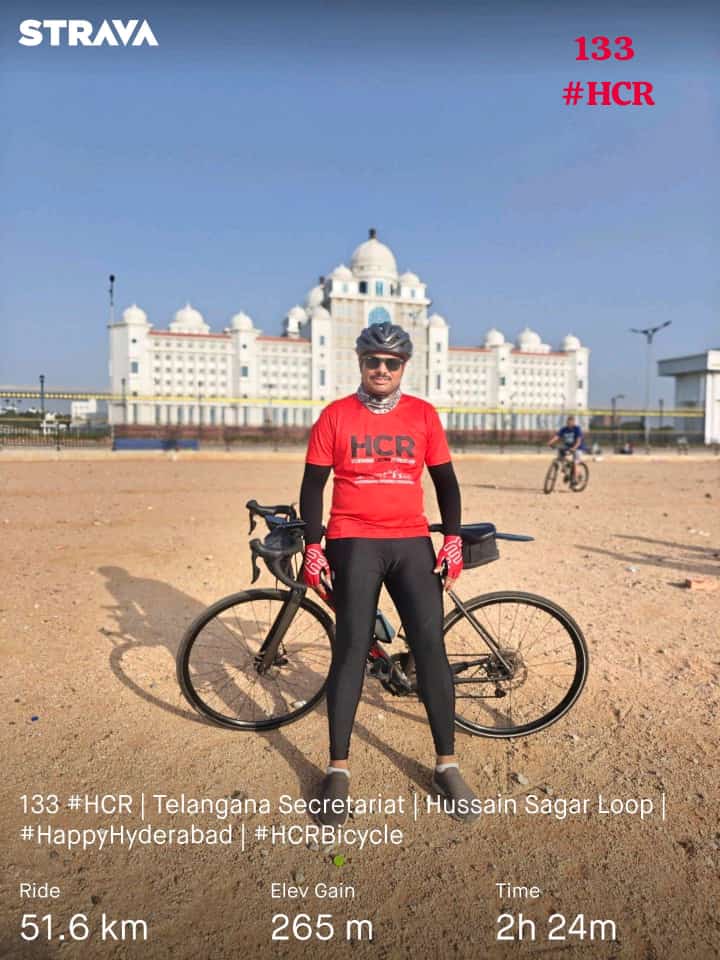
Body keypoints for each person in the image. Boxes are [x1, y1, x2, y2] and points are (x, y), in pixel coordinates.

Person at [298, 321, 479, 825]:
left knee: (430, 647)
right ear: (360, 363)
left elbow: (446, 482)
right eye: (373, 361)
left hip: (410, 541)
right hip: (354, 540)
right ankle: (338, 770)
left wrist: (453, 538)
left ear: (403, 367)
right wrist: (315, 546)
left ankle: (447, 764)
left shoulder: (423, 415)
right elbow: (313, 487)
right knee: (351, 648)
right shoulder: (335, 416)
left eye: (391, 363)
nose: (382, 369)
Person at [548, 415, 584, 484]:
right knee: (561, 457)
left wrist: (574, 448)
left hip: (578, 448)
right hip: (568, 447)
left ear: (573, 423)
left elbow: (579, 441)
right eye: (568, 423)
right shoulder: (564, 429)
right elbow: (557, 437)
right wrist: (551, 442)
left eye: (570, 423)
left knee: (575, 463)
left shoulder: (577, 429)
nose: (569, 424)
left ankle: (575, 478)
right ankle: (567, 473)